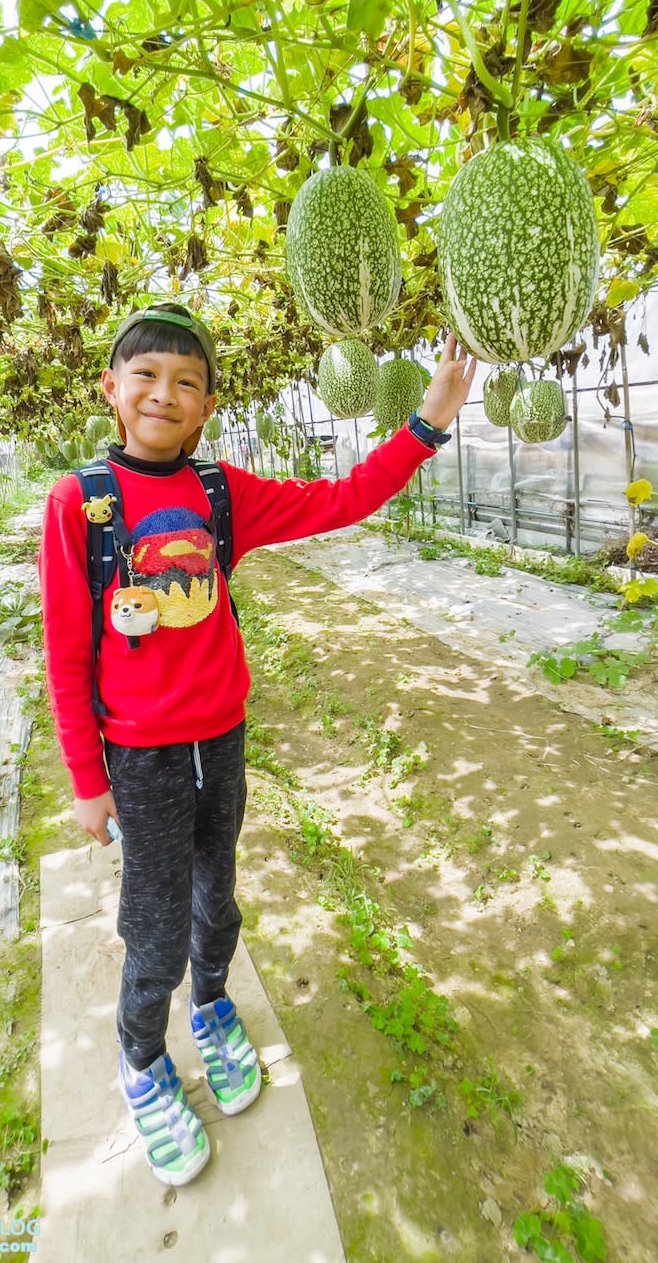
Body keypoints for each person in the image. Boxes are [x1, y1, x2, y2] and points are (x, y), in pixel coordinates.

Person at [37, 302, 476, 1187]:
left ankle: (210, 1007)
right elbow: (65, 649)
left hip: (221, 741)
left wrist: (425, 425)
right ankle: (141, 1061)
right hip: (141, 757)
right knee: (153, 926)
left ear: (205, 408)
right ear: (111, 390)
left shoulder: (222, 492)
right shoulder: (79, 503)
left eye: (187, 382)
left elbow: (340, 498)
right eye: (147, 375)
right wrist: (89, 780)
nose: (166, 392)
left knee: (217, 896)